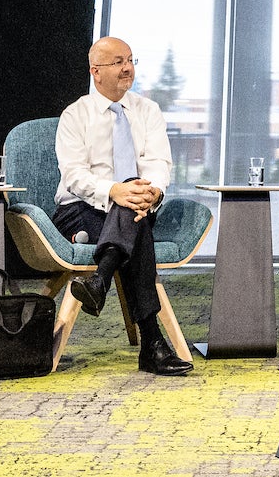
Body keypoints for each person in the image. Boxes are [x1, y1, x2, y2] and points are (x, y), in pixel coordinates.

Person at [51, 35, 191, 376]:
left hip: (134, 209)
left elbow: (159, 163)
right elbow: (74, 176)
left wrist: (152, 192)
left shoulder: (148, 110)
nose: (127, 68)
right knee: (133, 219)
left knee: (133, 207)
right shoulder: (75, 115)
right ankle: (152, 344)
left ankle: (100, 278)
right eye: (117, 62)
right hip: (79, 210)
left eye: (130, 60)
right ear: (95, 71)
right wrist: (115, 190)